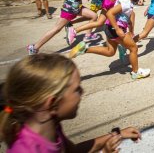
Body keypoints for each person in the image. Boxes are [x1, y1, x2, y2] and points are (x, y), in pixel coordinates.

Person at [0, 53, 141, 152]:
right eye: (77, 89)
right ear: (52, 103)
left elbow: (72, 151)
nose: (82, 92)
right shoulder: (26, 150)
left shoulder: (52, 126)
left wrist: (115, 136)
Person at [69, 0, 151, 80]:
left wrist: (129, 29)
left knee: (110, 52)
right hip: (114, 29)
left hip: (109, 27)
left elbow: (128, 15)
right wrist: (117, 29)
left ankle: (84, 49)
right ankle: (135, 72)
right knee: (133, 48)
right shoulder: (125, 1)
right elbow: (109, 13)